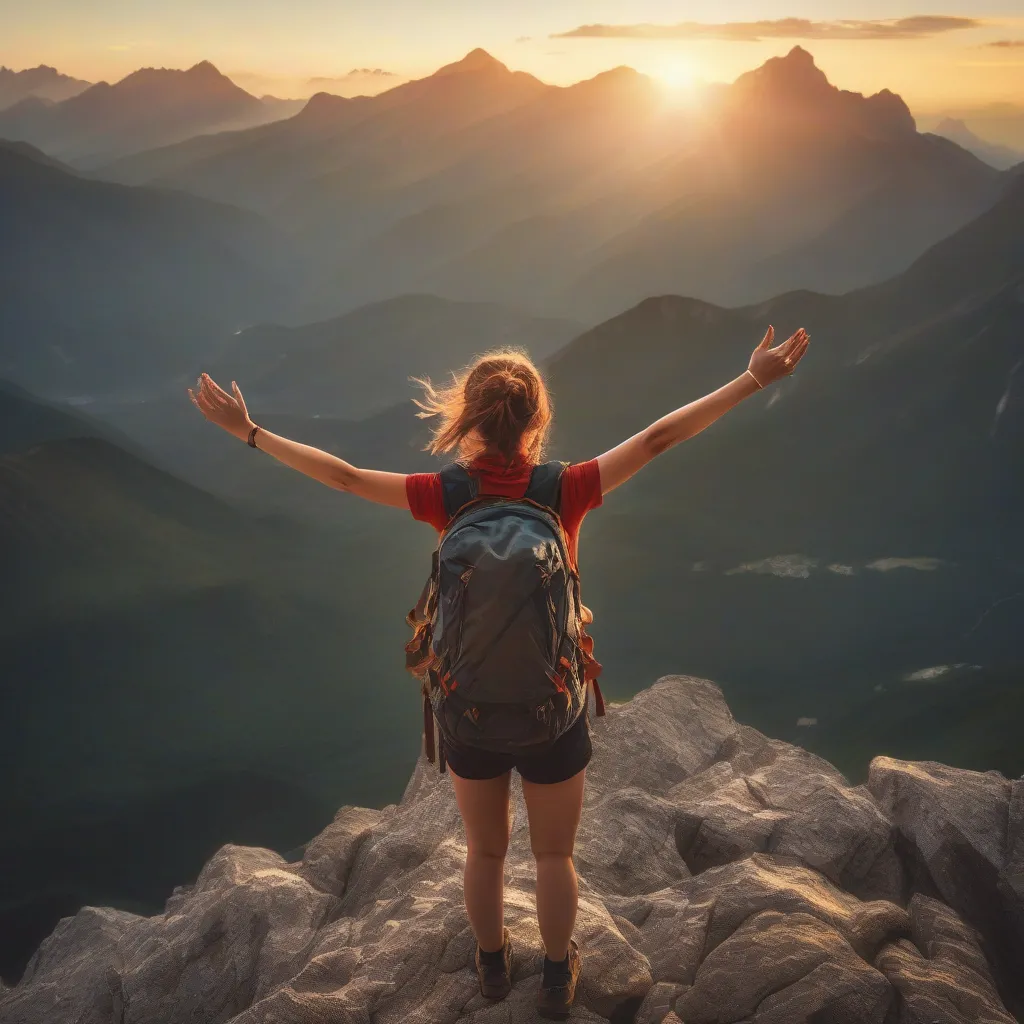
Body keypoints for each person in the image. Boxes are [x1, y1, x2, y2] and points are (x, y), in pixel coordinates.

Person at [188, 324, 809, 1018]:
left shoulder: (443, 494)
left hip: (470, 712)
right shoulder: (566, 487)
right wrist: (753, 378)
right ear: (537, 420)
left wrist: (250, 433)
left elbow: (344, 477)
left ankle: (489, 968)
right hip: (554, 711)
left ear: (469, 420)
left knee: (484, 854)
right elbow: (660, 437)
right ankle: (553, 975)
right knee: (553, 857)